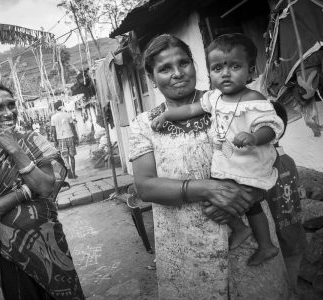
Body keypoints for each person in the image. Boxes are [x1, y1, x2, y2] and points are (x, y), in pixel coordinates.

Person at [130, 34, 289, 299]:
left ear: (195, 65)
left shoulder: (232, 101)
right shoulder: (143, 124)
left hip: (250, 241)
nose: (178, 73)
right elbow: (145, 186)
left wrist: (247, 196)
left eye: (184, 63)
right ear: (151, 78)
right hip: (185, 246)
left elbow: (272, 157)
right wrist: (207, 189)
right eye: (165, 68)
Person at [0, 83, 84, 300]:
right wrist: (26, 191)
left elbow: (46, 188)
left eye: (11, 105)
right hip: (10, 251)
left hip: (49, 241)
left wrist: (15, 149)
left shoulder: (34, 140)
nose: (9, 112)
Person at [267, 102, 307, 296]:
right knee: (291, 286)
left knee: (279, 289)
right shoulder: (289, 160)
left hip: (274, 245)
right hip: (294, 237)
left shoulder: (259, 166)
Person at [51, 102, 79, 179]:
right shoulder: (68, 115)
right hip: (70, 136)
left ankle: (69, 171)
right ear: (62, 106)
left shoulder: (53, 117)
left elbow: (53, 131)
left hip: (60, 139)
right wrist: (76, 137)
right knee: (72, 156)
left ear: (55, 108)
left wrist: (55, 141)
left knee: (65, 157)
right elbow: (73, 127)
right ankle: (73, 173)